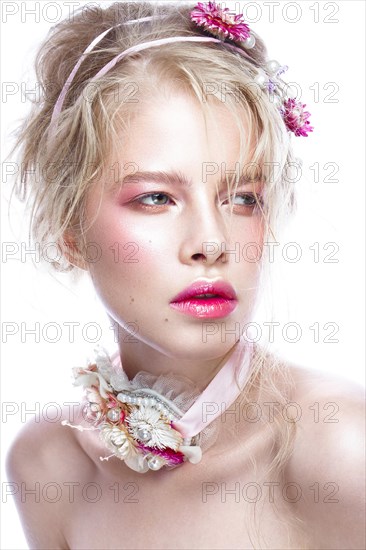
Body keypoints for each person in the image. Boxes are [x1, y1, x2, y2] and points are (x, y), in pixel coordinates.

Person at [5, 1, 364, 549]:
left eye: (242, 198)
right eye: (156, 197)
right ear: (69, 231)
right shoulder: (48, 465)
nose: (212, 242)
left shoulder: (338, 450)